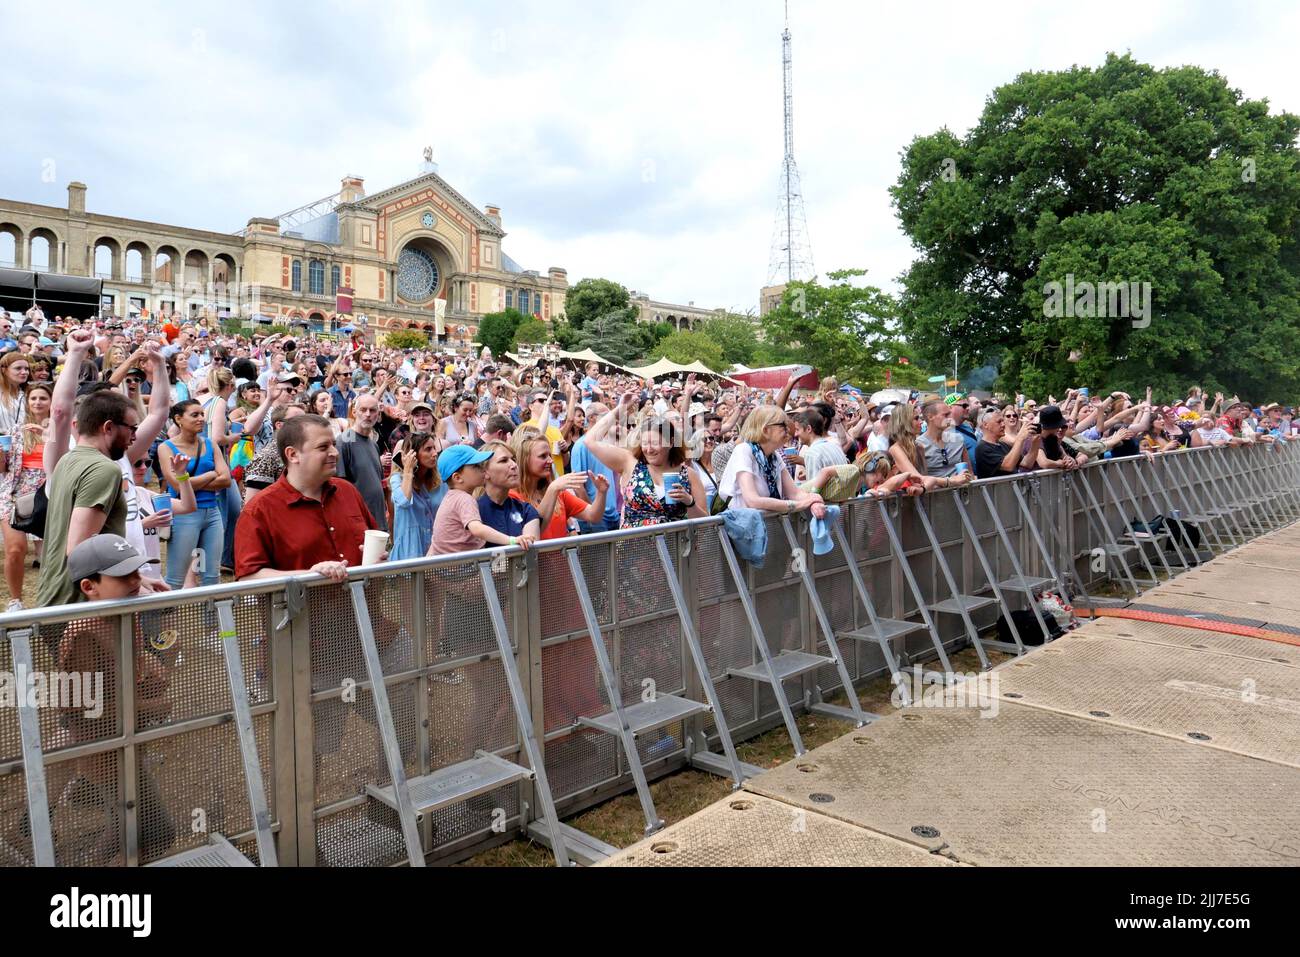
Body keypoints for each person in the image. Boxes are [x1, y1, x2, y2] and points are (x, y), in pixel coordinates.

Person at [37, 388, 166, 607]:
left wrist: (137, 578)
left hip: (58, 593)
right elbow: (79, 548)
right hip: (83, 603)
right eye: (131, 428)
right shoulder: (104, 469)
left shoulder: (67, 461)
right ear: (108, 427)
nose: (134, 437)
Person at [235, 414, 379, 582]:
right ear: (293, 454)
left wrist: (379, 561)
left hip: (363, 605)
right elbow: (248, 577)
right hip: (303, 608)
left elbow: (372, 542)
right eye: (323, 447)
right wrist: (310, 576)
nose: (334, 452)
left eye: (333, 444)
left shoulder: (348, 491)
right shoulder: (260, 509)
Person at [582, 395, 707, 528]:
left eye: (655, 443)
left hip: (675, 545)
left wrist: (689, 502)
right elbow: (590, 440)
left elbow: (705, 523)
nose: (648, 449)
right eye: (645, 443)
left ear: (670, 443)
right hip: (636, 546)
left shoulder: (688, 474)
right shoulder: (630, 464)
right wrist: (619, 409)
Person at [159, 399, 230, 588]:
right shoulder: (165, 447)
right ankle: (164, 616)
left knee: (211, 576)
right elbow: (175, 483)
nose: (201, 419)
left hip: (212, 514)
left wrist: (188, 482)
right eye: (195, 415)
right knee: (175, 577)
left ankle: (209, 618)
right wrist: (211, 474)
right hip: (184, 515)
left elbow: (226, 480)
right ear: (178, 419)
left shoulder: (210, 444)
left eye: (202, 414)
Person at [717, 404, 827, 518]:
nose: (788, 429)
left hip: (767, 525)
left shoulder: (774, 456)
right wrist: (799, 505)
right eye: (783, 425)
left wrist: (814, 501)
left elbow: (795, 493)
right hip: (743, 527)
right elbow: (752, 500)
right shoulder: (744, 450)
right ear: (765, 430)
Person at [428, 445, 533, 554]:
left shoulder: (450, 497)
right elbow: (477, 529)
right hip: (460, 568)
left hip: (450, 566)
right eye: (476, 466)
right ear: (458, 478)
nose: (483, 469)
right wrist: (512, 540)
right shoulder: (464, 499)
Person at [0, 382, 51, 610]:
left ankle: (53, 598)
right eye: (33, 398)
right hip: (15, 494)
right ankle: (15, 601)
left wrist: (50, 436)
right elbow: (3, 469)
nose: (38, 402)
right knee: (14, 550)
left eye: (43, 398)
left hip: (48, 493)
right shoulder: (15, 432)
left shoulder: (62, 431)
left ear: (51, 402)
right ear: (27, 402)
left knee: (56, 552)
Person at [509, 430, 606, 539]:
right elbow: (533, 534)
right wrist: (553, 489)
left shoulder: (559, 493)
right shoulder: (512, 498)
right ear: (525, 460)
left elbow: (594, 515)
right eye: (543, 456)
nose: (550, 460)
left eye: (549, 455)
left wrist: (601, 492)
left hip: (561, 556)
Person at [335, 393, 388, 532]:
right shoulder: (345, 441)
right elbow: (338, 486)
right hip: (358, 523)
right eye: (363, 410)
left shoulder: (373, 444)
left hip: (377, 520)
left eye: (372, 410)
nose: (368, 414)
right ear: (354, 412)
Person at [388, 432, 445, 561]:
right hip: (408, 552)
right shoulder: (398, 479)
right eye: (428, 449)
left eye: (434, 448)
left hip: (433, 549)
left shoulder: (438, 480)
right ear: (413, 454)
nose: (435, 453)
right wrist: (408, 470)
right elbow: (403, 501)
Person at [476, 441, 541, 545]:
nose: (514, 465)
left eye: (513, 459)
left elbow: (530, 554)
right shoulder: (472, 511)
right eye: (503, 460)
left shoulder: (526, 510)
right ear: (485, 472)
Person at [801, 448, 920, 502]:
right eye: (882, 474)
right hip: (802, 496)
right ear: (869, 467)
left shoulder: (856, 486)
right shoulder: (853, 471)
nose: (883, 479)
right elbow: (825, 472)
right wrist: (813, 494)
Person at [243, 403, 305, 500]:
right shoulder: (266, 458)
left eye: (306, 420)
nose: (305, 425)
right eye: (297, 421)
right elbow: (252, 506)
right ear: (279, 425)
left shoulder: (305, 452)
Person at [974, 408, 1038, 479]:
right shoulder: (982, 448)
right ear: (986, 425)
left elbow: (1027, 463)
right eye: (999, 422)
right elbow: (1008, 466)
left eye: (1003, 421)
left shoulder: (1003, 444)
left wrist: (1036, 441)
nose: (1003, 424)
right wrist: (1020, 438)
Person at [0, 351, 30, 435]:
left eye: (26, 369)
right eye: (18, 368)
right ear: (4, 370)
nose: (24, 372)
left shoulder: (28, 393)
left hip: (27, 444)